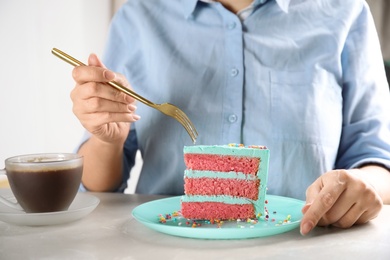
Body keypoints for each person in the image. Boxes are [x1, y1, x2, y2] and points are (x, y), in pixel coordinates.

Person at [70, 0, 390, 236]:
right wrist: (105, 139)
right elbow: (101, 186)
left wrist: (362, 186)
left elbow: (377, 160)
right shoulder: (137, 17)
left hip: (303, 244)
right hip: (165, 248)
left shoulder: (345, 12)